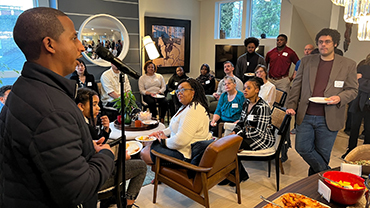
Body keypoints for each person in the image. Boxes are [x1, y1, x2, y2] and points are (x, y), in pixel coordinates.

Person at [0, 7, 115, 208]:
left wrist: (86, 150)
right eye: (73, 38)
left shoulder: (23, 86)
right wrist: (106, 155)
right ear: (49, 44)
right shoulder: (52, 110)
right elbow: (78, 190)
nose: (81, 47)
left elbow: (45, 155)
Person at [286, 28, 358, 176]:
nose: (323, 45)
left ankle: (317, 186)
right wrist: (291, 105)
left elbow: (352, 90)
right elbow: (296, 85)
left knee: (323, 154)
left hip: (330, 117)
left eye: (327, 42)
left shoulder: (348, 64)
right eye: (320, 42)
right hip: (305, 115)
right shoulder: (306, 61)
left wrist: (339, 98)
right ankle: (328, 174)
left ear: (335, 44)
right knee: (302, 148)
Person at [75, 88, 146, 208]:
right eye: (94, 104)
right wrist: (120, 158)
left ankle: (109, 200)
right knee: (141, 166)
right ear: (81, 106)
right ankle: (127, 203)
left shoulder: (80, 123)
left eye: (98, 104)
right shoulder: (85, 127)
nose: (98, 108)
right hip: (95, 178)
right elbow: (97, 153)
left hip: (88, 176)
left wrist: (106, 130)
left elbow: (98, 142)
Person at [140, 78, 212, 165]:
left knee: (145, 153)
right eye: (178, 90)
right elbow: (173, 127)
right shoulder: (185, 107)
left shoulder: (194, 110)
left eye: (183, 90)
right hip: (181, 148)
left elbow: (181, 141)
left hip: (186, 154)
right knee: (149, 144)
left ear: (193, 92)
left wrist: (164, 141)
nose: (179, 93)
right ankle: (160, 177)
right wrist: (160, 133)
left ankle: (162, 176)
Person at [226, 77, 274, 185]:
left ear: (257, 90)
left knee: (231, 146)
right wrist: (235, 131)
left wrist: (239, 134)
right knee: (227, 145)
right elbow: (241, 122)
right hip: (248, 135)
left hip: (261, 138)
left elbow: (259, 132)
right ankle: (235, 173)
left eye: (248, 88)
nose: (245, 90)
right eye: (244, 88)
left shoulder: (263, 107)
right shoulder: (246, 103)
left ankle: (240, 175)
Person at [341, 63, 370, 158]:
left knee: (368, 129)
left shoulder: (363, 69)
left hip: (366, 102)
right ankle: (351, 151)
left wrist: (361, 80)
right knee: (354, 127)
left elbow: (360, 83)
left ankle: (366, 153)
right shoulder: (363, 67)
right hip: (358, 102)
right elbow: (354, 83)